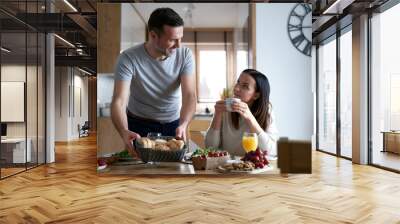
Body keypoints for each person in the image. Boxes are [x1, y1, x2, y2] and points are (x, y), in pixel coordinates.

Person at [111, 8, 196, 158]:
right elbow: (119, 100)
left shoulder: (185, 55)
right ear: (153, 35)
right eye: (172, 40)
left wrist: (184, 124)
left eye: (180, 38)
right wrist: (124, 131)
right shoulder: (128, 58)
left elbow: (189, 95)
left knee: (173, 175)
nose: (179, 45)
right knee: (138, 173)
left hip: (174, 124)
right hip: (139, 124)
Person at [205, 69, 278, 156]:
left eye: (245, 86)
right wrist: (217, 114)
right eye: (238, 82)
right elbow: (210, 147)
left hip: (253, 167)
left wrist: (250, 118)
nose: (236, 88)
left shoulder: (266, 111)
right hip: (226, 166)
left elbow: (272, 152)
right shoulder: (226, 108)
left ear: (256, 95)